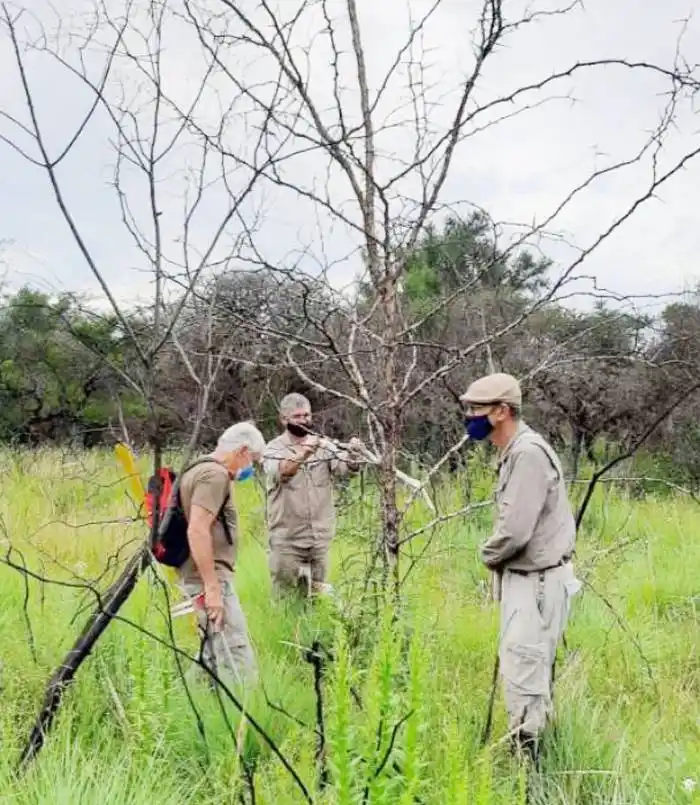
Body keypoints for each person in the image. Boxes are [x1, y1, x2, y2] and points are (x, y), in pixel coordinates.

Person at [460, 372, 580, 763]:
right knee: (526, 669)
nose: (471, 417)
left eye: (477, 409)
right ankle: (534, 757)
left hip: (537, 582)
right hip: (529, 580)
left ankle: (530, 770)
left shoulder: (527, 453)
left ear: (502, 411)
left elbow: (514, 532)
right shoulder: (513, 450)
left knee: (526, 674)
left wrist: (486, 554)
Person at [177, 421, 266, 687]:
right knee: (236, 655)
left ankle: (189, 706)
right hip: (209, 581)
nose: (251, 468)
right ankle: (244, 716)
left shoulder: (198, 469)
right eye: (254, 460)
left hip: (198, 577)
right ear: (242, 451)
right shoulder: (214, 475)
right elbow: (197, 530)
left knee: (212, 654)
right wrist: (212, 586)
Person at [263, 392, 363, 597]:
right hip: (288, 542)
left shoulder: (323, 445)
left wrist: (354, 454)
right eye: (297, 416)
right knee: (287, 602)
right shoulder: (273, 449)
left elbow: (345, 469)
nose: (304, 420)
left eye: (307, 415)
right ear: (284, 419)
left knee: (319, 599)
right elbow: (284, 470)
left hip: (319, 540)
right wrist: (306, 452)